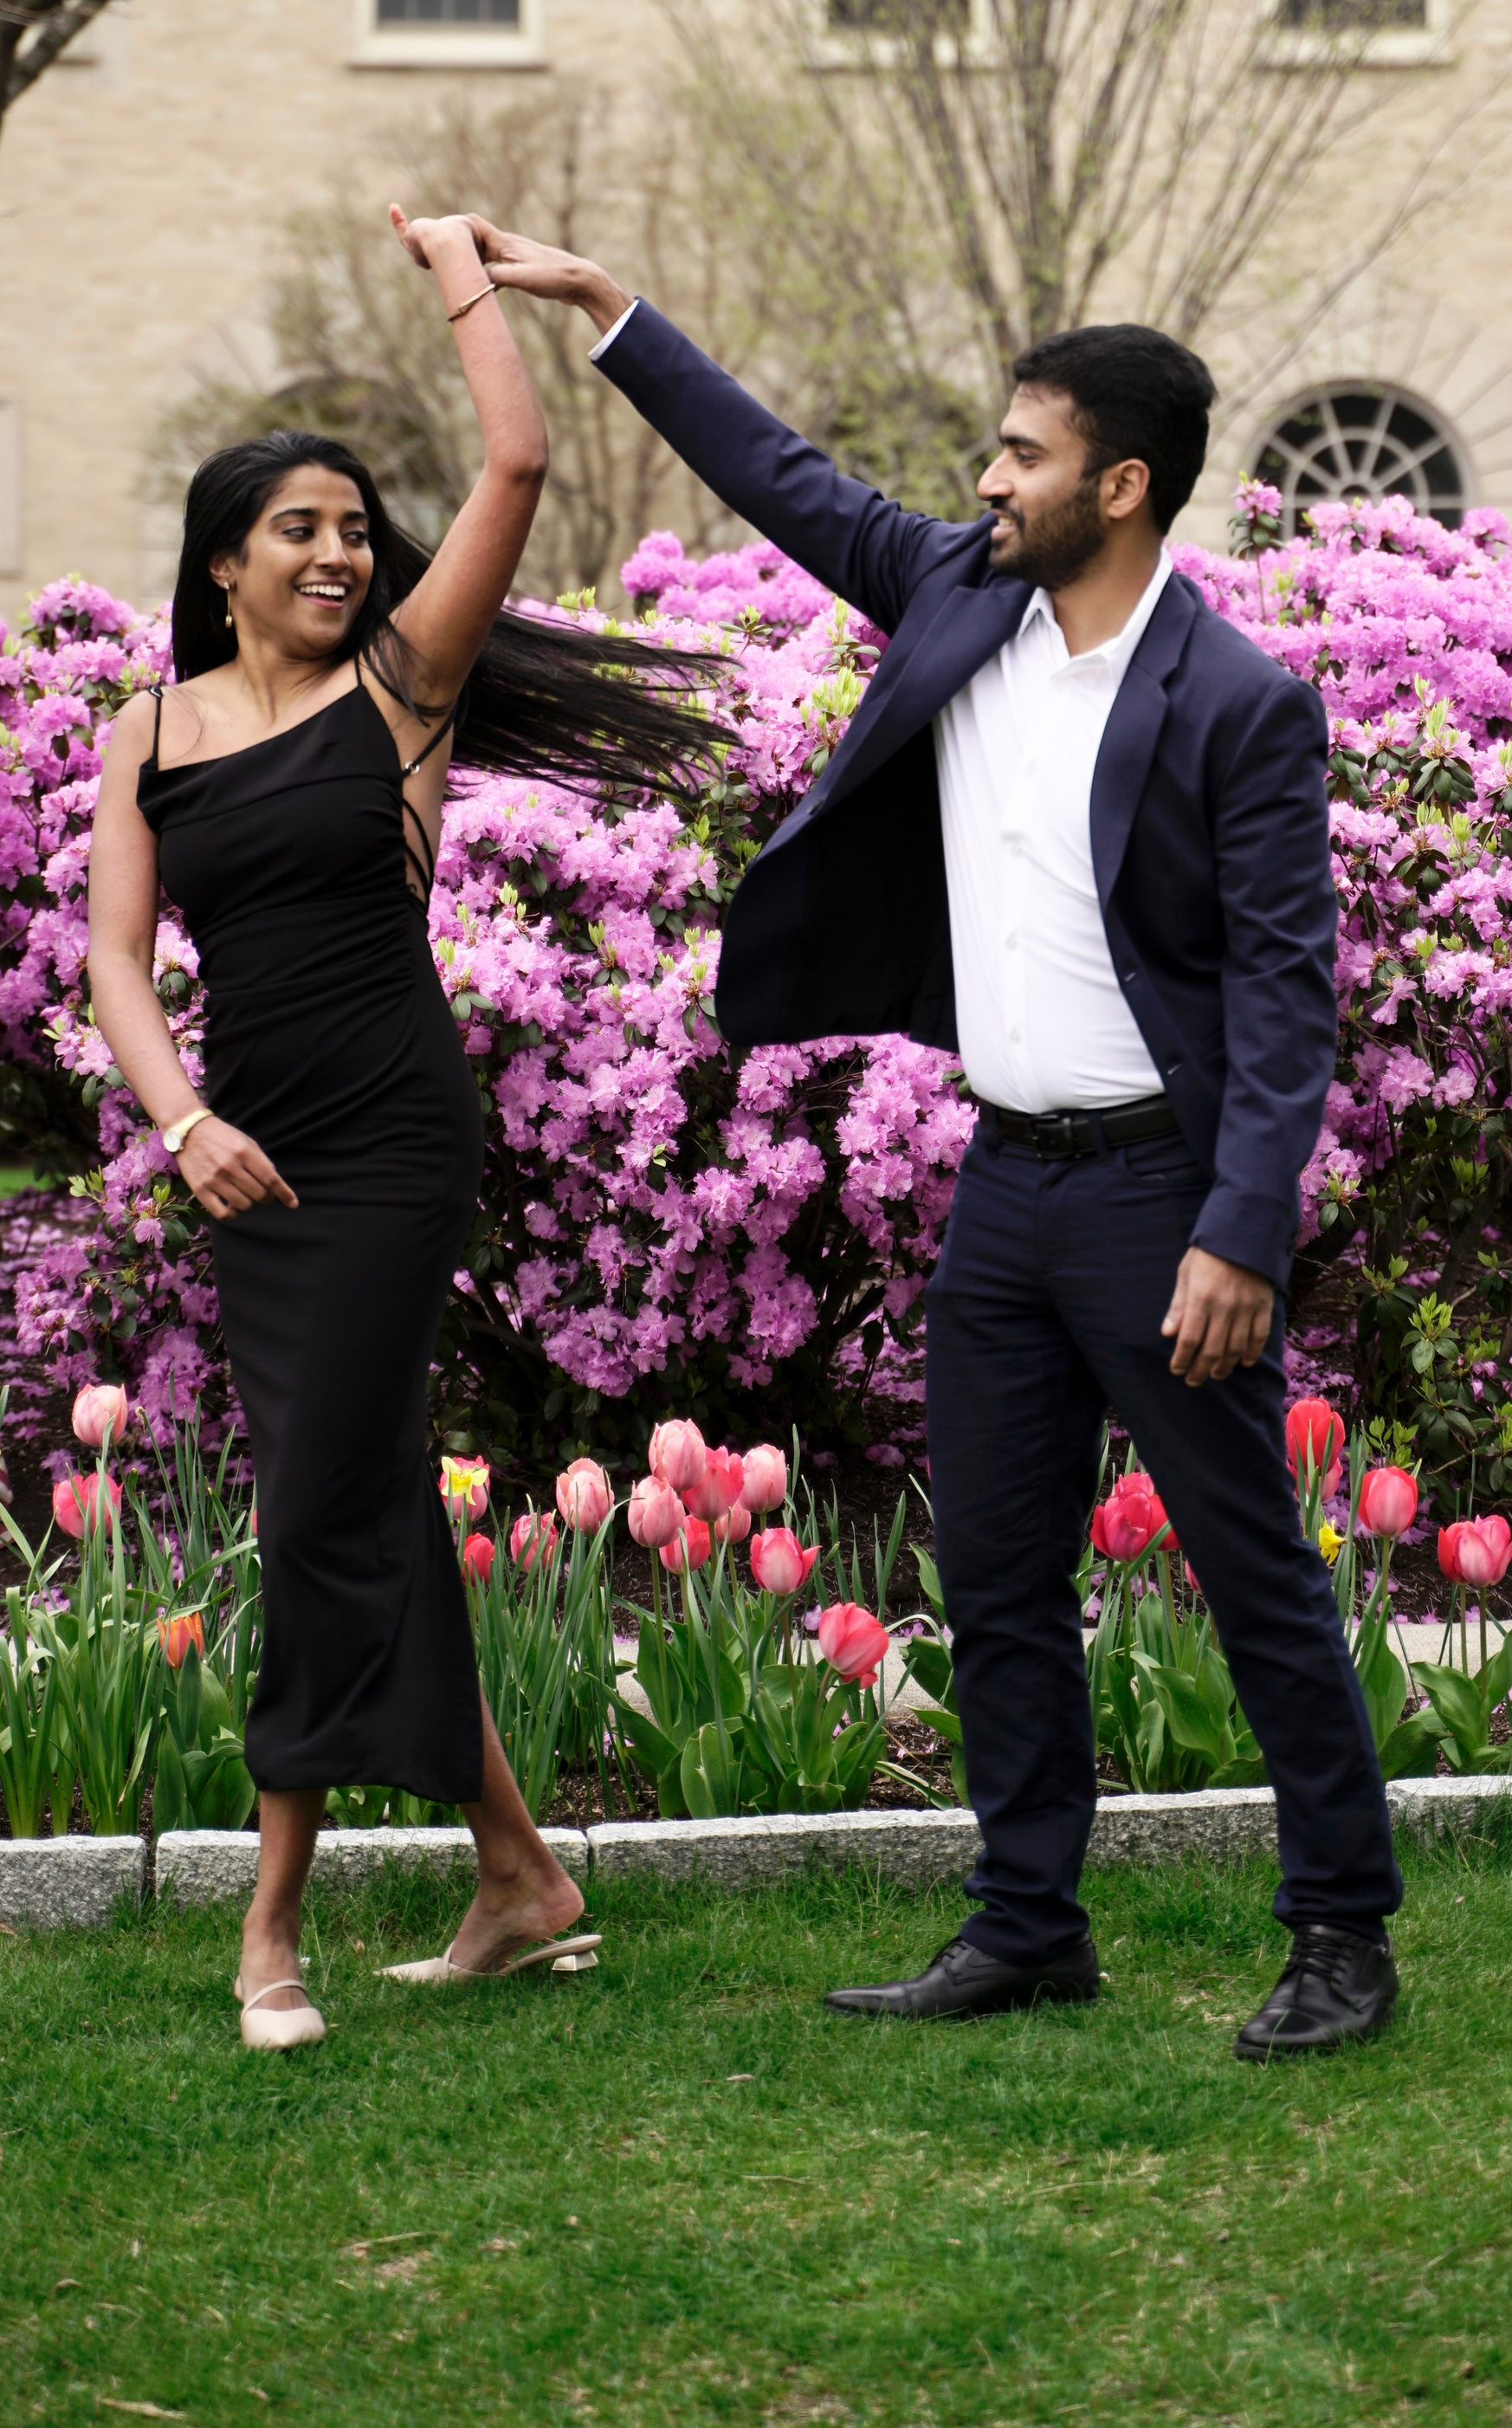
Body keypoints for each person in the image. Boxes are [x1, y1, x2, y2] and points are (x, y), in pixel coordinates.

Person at [470, 223, 1403, 2061]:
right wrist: (606, 316)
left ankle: (1339, 1936)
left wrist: (1240, 1227)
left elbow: (1290, 993)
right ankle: (1026, 1923)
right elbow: (782, 477)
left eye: (1022, 452)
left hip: (1160, 1197)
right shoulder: (957, 591)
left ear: (1117, 485)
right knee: (990, 1574)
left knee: (1255, 1576)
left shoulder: (1234, 701)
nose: (984, 477)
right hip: (1004, 1185)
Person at [87, 207, 720, 2049]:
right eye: (302, 525)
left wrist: (469, 277)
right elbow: (118, 962)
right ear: (222, 563)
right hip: (244, 1146)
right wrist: (180, 1116)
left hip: (382, 1134)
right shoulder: (147, 727)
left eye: (356, 527)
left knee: (315, 1509)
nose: (341, 550)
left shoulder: (399, 690)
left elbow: (515, 456)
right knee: (358, 1501)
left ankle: (267, 1920)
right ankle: (517, 1874)